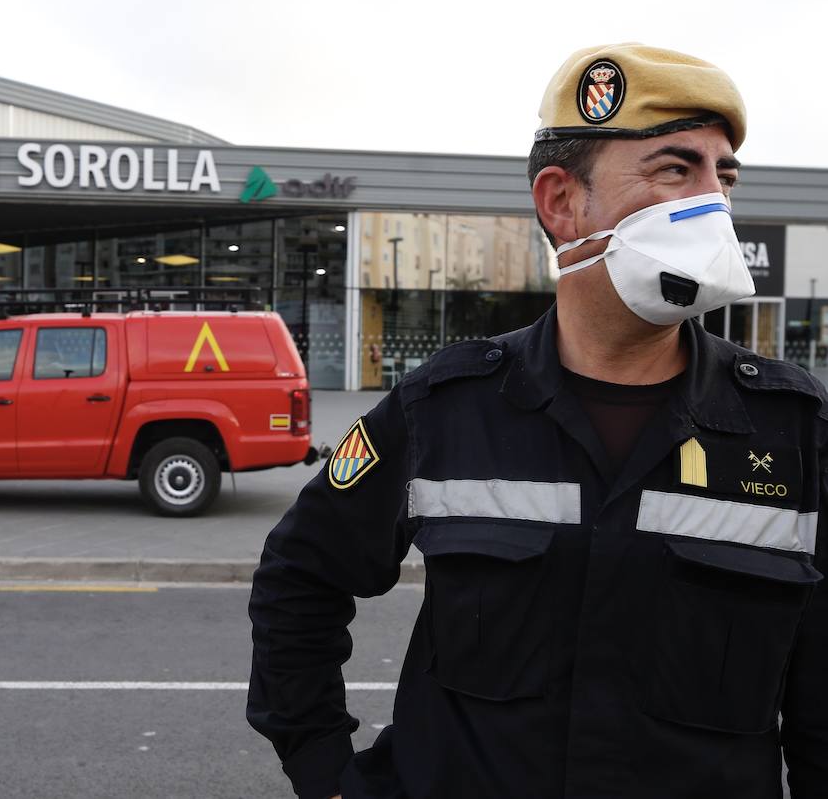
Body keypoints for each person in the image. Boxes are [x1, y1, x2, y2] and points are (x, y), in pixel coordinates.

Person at [247, 43, 828, 799]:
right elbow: (300, 576)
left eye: (725, 178)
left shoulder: (794, 431)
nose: (713, 204)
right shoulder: (445, 408)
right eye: (675, 170)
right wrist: (325, 772)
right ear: (561, 201)